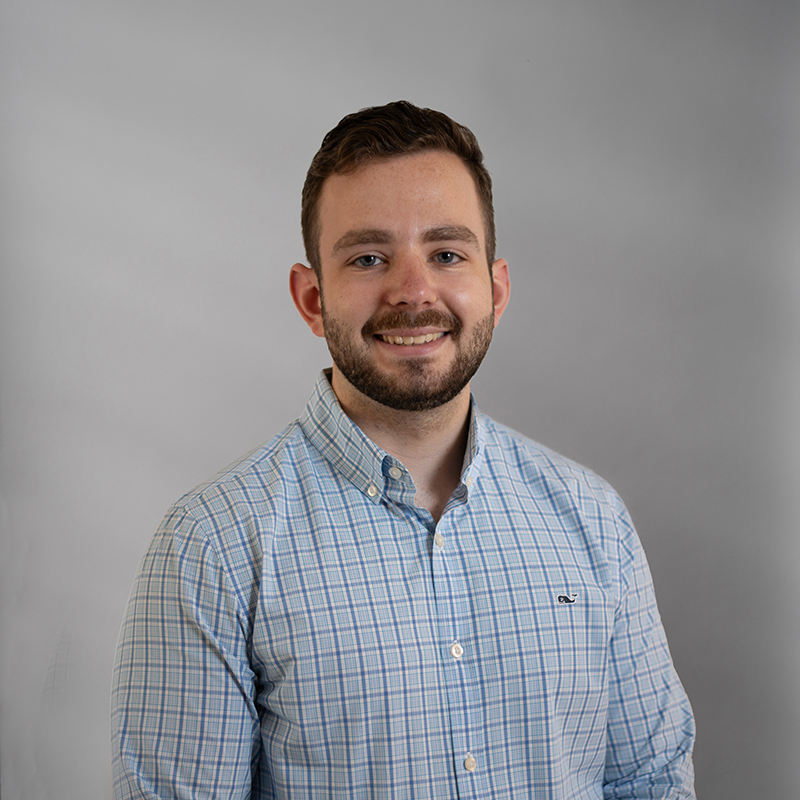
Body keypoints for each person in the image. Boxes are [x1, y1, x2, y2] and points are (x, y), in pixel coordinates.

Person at [111, 100, 696, 799]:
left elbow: (652, 785)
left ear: (495, 288)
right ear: (311, 298)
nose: (413, 292)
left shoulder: (594, 521)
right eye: (368, 257)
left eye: (446, 253)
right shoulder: (213, 546)